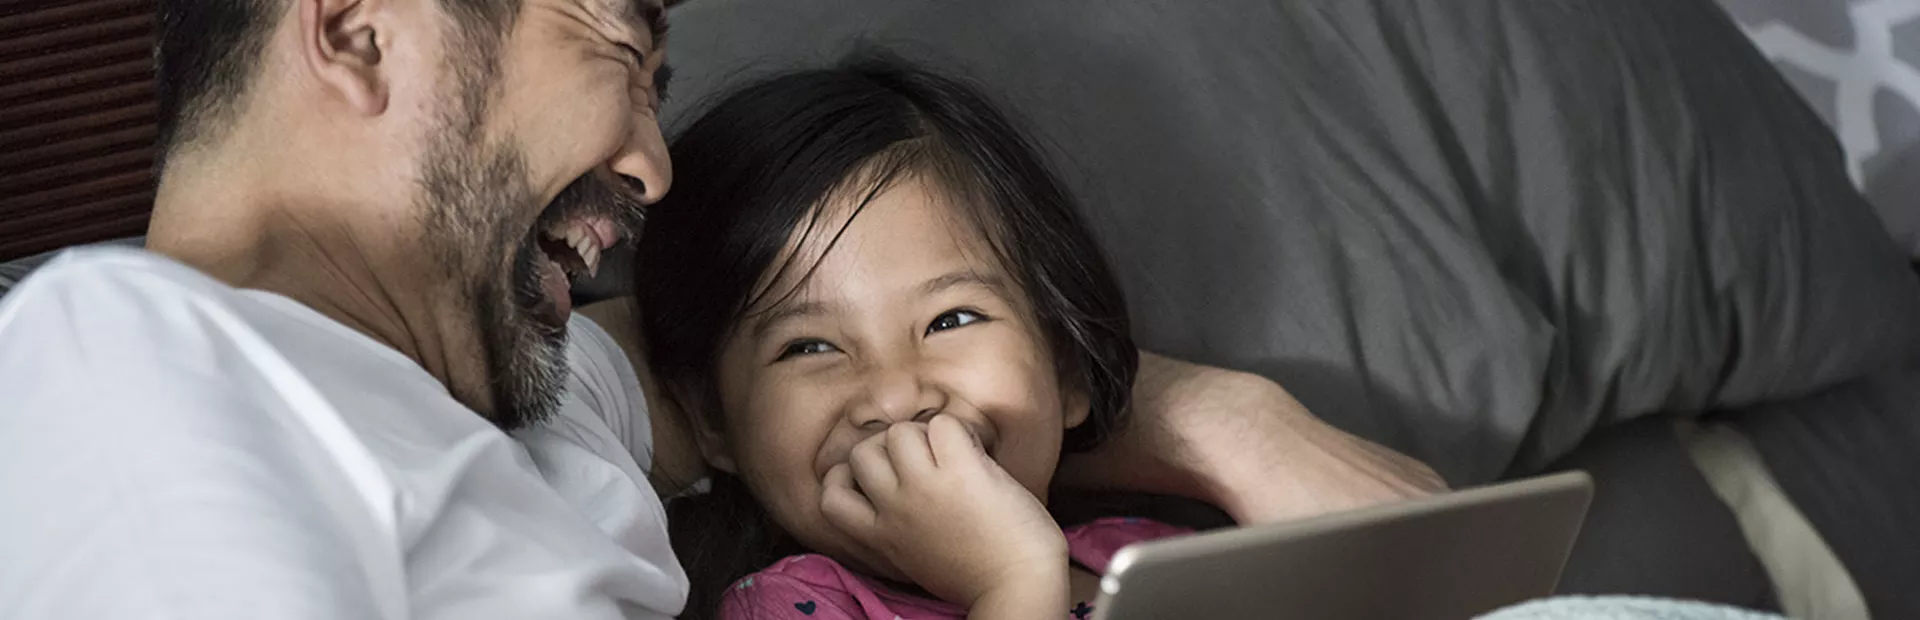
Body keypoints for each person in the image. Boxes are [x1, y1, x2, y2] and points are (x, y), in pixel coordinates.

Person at [0, 1, 1439, 618]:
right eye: (621, 48)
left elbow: (780, 372)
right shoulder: (124, 367)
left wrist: (1213, 417)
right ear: (368, 30)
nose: (651, 164)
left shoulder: (539, 387)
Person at [636, 58, 1204, 619]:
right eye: (808, 346)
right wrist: (1011, 580)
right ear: (714, 421)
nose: (896, 397)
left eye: (951, 320)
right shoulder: (783, 609)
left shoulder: (1156, 559)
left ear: (1066, 369)